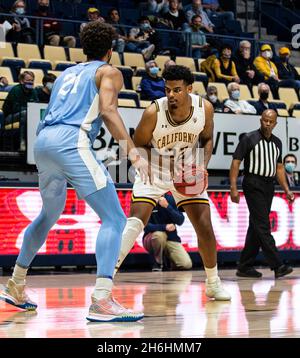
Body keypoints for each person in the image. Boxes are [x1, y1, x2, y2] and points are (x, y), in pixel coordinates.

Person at [0, 21, 149, 322]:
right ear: (111, 50)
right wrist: (133, 153)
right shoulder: (109, 71)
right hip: (72, 142)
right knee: (115, 217)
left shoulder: (66, 73)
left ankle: (16, 282)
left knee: (48, 215)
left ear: (84, 48)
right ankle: (102, 300)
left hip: (43, 143)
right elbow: (108, 110)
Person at [114, 65, 231, 301]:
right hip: (156, 168)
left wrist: (202, 165)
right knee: (136, 221)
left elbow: (207, 139)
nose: (171, 95)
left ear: (189, 89)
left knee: (205, 225)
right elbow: (137, 146)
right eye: (167, 89)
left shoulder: (204, 108)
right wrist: (164, 166)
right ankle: (105, 282)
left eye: (177, 90)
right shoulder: (153, 112)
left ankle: (213, 282)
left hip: (188, 167)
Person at [229, 109, 294, 279]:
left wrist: (286, 189)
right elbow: (236, 163)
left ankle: (244, 266)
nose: (267, 123)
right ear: (261, 120)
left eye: (270, 121)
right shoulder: (249, 138)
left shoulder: (278, 143)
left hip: (268, 186)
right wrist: (233, 187)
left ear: (275, 123)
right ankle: (278, 265)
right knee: (263, 225)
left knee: (256, 226)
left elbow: (279, 168)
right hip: (253, 183)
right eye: (264, 120)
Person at [143, 194, 192, 271]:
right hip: (151, 238)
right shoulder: (148, 200)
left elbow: (180, 220)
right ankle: (158, 263)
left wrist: (167, 206)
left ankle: (169, 260)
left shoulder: (171, 199)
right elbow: (145, 225)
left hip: (170, 239)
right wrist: (164, 227)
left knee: (186, 264)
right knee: (159, 235)